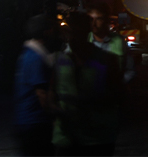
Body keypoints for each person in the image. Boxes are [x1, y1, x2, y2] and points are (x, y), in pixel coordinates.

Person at [50, 11, 122, 156]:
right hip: (69, 138)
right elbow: (50, 96)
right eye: (70, 31)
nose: (72, 36)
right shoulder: (58, 60)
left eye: (76, 31)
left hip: (97, 139)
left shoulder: (107, 60)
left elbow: (120, 95)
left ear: (86, 31)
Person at [14, 13, 57, 156]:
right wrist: (56, 116)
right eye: (51, 29)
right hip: (35, 123)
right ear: (45, 32)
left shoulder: (28, 54)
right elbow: (41, 94)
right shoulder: (35, 57)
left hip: (27, 121)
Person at [88, 3, 134, 84]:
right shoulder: (83, 40)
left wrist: (118, 86)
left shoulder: (118, 41)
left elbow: (130, 69)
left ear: (106, 20)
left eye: (99, 19)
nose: (93, 23)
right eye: (91, 19)